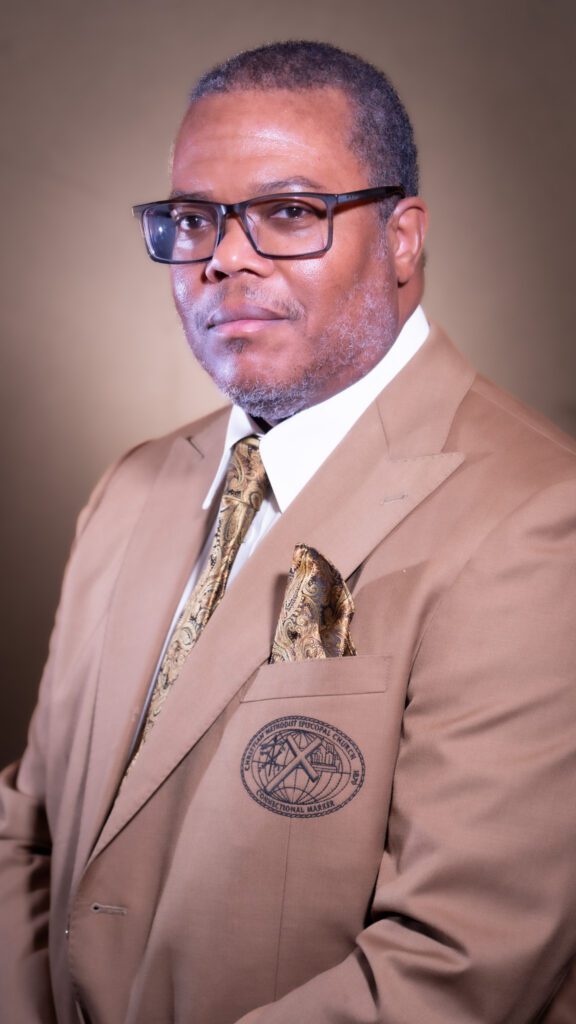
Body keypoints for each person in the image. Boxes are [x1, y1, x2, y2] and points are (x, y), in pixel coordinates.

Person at [1, 39, 575, 1024]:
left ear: (402, 239)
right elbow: (28, 838)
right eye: (193, 219)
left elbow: (453, 969)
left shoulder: (538, 517)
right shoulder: (129, 489)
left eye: (289, 212)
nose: (224, 254)